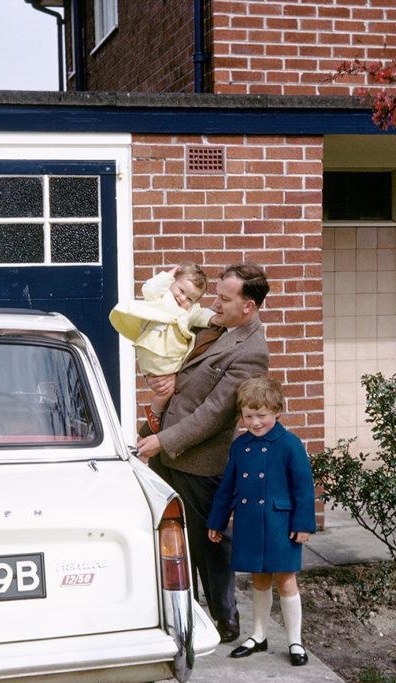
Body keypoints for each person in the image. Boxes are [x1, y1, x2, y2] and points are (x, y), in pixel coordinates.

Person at [135, 263, 270, 644]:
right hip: (167, 446)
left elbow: (214, 414)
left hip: (198, 459)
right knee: (171, 539)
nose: (216, 303)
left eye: (225, 299)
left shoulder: (252, 352)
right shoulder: (212, 325)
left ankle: (226, 620)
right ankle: (183, 611)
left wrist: (162, 440)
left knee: (210, 544)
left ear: (248, 306)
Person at [206, 376, 316, 666]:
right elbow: (227, 487)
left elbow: (304, 487)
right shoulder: (240, 447)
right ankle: (258, 635)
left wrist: (303, 524)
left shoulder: (290, 444)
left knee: (286, 580)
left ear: (278, 411)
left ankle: (295, 641)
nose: (254, 422)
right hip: (250, 522)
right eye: (248, 415)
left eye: (261, 415)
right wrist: (216, 522)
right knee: (259, 579)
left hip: (281, 525)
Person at [108, 263, 213, 432]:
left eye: (190, 299)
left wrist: (214, 319)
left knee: (170, 388)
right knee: (167, 389)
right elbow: (149, 289)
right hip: (152, 354)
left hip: (171, 362)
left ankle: (158, 411)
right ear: (172, 282)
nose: (182, 299)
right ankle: (155, 412)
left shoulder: (189, 312)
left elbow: (202, 315)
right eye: (181, 290)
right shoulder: (160, 298)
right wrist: (168, 275)